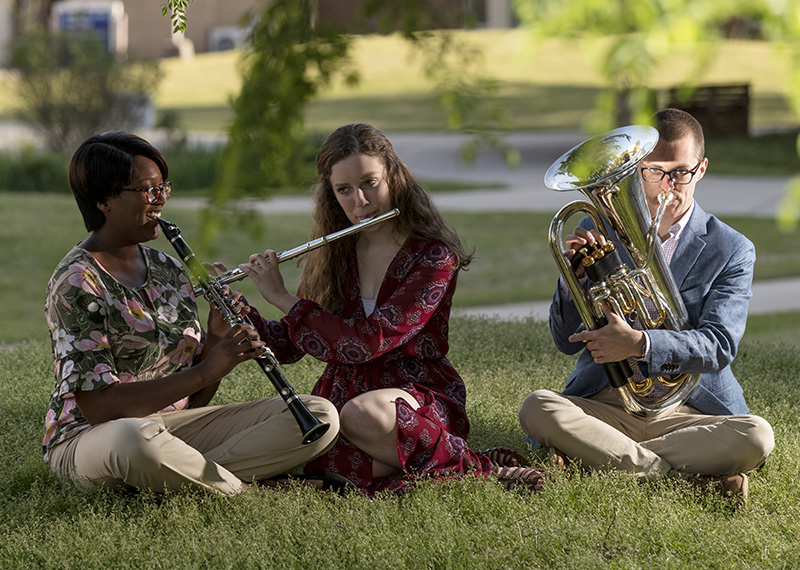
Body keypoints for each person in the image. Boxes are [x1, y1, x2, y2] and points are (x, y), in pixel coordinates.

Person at [238, 122, 545, 495]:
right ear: (331, 194)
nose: (360, 202)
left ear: (393, 177)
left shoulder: (433, 257)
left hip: (411, 395)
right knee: (314, 436)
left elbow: (368, 341)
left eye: (370, 183)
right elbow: (288, 345)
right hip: (343, 397)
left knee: (361, 417)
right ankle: (409, 461)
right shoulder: (331, 256)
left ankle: (478, 467)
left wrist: (283, 298)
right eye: (344, 190)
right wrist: (238, 310)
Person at [43, 131, 339, 496]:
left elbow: (192, 398)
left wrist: (215, 340)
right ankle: (251, 491)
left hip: (170, 429)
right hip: (94, 437)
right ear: (104, 199)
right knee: (132, 439)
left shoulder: (167, 268)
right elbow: (100, 409)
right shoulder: (76, 282)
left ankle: (172, 474)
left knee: (322, 414)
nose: (160, 200)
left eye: (163, 187)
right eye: (147, 191)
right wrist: (208, 368)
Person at [519, 108, 774, 504]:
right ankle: (680, 476)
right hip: (607, 402)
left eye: (681, 172)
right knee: (536, 407)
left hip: (689, 411)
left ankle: (605, 456)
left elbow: (719, 345)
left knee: (757, 436)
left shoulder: (731, 248)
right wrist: (576, 283)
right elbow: (565, 341)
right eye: (654, 171)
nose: (667, 186)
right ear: (638, 169)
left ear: (701, 169)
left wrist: (641, 344)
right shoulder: (599, 231)